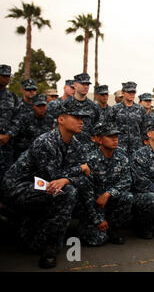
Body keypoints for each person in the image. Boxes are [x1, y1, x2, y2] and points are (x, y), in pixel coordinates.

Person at [0, 97, 90, 269]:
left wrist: (68, 177)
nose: (81, 121)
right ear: (61, 119)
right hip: (19, 187)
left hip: (43, 186)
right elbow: (55, 176)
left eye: (82, 118)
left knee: (70, 188)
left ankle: (18, 223)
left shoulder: (75, 144)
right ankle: (50, 246)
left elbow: (84, 176)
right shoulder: (46, 142)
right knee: (67, 193)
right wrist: (78, 170)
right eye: (76, 117)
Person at [77, 122, 133, 246]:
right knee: (96, 240)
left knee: (127, 197)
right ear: (100, 140)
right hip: (94, 204)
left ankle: (114, 229)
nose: (115, 139)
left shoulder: (122, 157)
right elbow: (86, 193)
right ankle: (94, 224)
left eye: (116, 137)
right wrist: (98, 219)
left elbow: (127, 180)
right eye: (110, 136)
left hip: (110, 200)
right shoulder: (90, 159)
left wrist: (108, 194)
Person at [106, 82, 147, 158]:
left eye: (133, 92)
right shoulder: (115, 109)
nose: (132, 94)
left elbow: (144, 129)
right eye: (129, 92)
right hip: (119, 147)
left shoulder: (141, 109)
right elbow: (108, 128)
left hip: (136, 148)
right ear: (123, 93)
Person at [0, 64, 19, 186]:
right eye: (3, 76)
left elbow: (18, 119)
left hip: (7, 144)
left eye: (8, 76)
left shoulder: (13, 97)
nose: (6, 79)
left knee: (6, 174)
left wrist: (8, 135)